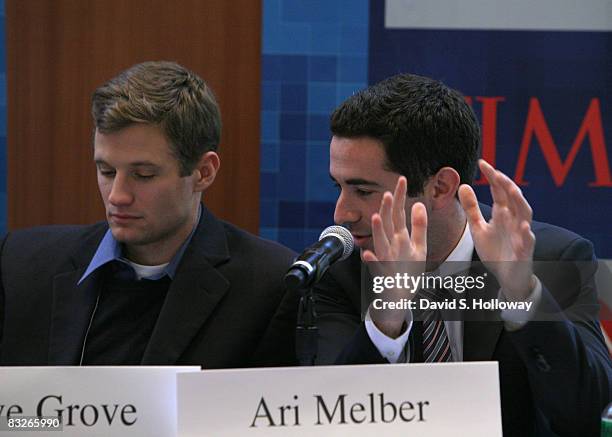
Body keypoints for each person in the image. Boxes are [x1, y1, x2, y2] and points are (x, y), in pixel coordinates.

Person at [315, 73, 611, 436]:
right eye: (338, 187)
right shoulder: (341, 269)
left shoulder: (549, 258)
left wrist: (521, 297)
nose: (341, 214)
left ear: (440, 187)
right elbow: (328, 416)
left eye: (362, 190)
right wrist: (385, 318)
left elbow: (590, 416)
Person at [0, 61, 296, 368]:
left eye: (143, 175)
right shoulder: (19, 264)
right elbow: (17, 416)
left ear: (204, 172)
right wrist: (34, 422)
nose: (117, 195)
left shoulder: (271, 285)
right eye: (106, 171)